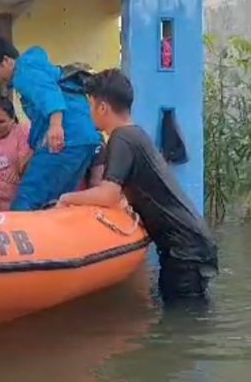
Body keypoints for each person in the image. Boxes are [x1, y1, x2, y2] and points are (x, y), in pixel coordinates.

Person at [56, 68, 219, 300]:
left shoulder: (121, 139)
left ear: (102, 107)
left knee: (182, 321)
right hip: (192, 243)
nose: (89, 112)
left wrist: (67, 198)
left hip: (184, 251)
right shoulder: (136, 134)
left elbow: (109, 194)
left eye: (89, 105)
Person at [0, 39, 100, 211]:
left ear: (7, 60)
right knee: (60, 201)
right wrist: (28, 157)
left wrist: (56, 126)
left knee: (27, 199)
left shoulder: (23, 72)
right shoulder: (39, 69)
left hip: (68, 138)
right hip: (85, 139)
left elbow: (50, 95)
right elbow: (40, 123)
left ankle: (18, 234)